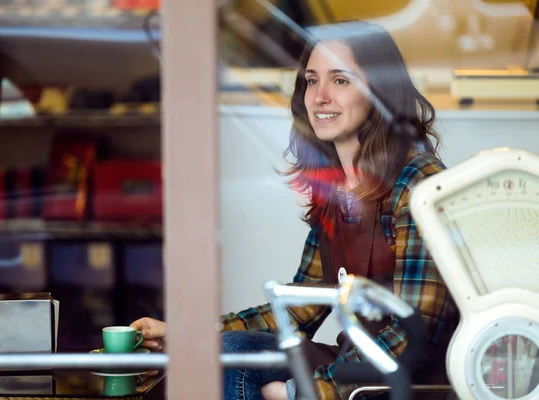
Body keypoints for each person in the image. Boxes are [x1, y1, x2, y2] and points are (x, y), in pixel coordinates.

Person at [131, 20, 458, 400]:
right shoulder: (337, 188)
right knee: (225, 353)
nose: (319, 96)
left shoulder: (417, 181)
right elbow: (300, 307)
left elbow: (415, 331)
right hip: (356, 369)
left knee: (233, 358)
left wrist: (304, 392)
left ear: (379, 93)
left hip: (404, 384)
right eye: (311, 80)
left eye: (340, 80)